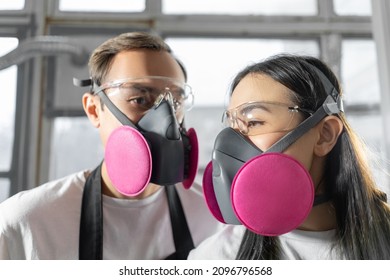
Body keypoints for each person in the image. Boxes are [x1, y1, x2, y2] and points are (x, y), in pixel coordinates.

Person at [0, 32, 222, 259]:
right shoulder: (27, 224)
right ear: (94, 110)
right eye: (140, 99)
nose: (167, 118)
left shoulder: (214, 219)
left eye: (175, 101)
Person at [188, 54, 390, 260]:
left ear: (324, 135)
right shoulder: (216, 258)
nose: (228, 143)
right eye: (232, 125)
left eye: (254, 121)